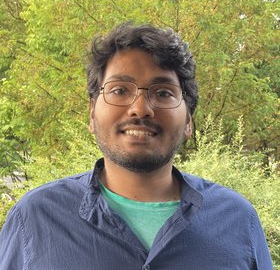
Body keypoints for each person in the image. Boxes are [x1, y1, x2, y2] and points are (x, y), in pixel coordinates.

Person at [0, 22, 273, 270]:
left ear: (189, 120)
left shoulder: (238, 220)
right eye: (120, 90)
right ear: (92, 114)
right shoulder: (34, 218)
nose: (140, 109)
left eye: (164, 93)